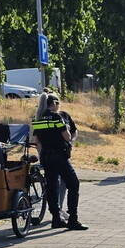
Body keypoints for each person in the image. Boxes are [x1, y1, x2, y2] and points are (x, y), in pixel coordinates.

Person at [31, 93, 87, 231]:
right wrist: (65, 132)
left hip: (46, 157)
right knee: (73, 184)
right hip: (59, 156)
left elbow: (35, 141)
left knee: (52, 187)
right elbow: (67, 137)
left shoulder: (39, 118)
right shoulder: (57, 117)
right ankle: (73, 219)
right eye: (58, 103)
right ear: (54, 104)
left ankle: (56, 219)